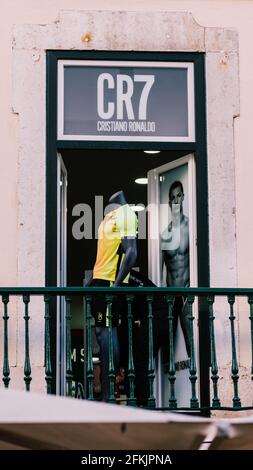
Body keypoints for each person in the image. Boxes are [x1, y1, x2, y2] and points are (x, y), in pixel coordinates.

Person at [89, 190, 137, 401]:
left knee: (106, 335)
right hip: (101, 280)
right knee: (103, 334)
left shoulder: (126, 214)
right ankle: (110, 393)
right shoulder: (111, 214)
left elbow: (132, 253)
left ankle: (109, 395)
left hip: (110, 282)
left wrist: (115, 286)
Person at [161, 180, 191, 357]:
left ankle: (197, 383)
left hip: (187, 294)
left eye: (179, 195)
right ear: (169, 202)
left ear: (184, 197)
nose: (176, 200)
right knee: (167, 349)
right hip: (170, 298)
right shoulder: (165, 233)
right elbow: (161, 270)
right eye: (173, 197)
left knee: (190, 344)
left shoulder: (190, 228)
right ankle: (169, 385)